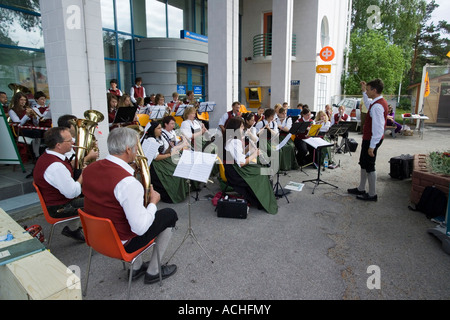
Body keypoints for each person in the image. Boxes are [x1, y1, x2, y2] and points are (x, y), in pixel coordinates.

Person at [82, 127, 178, 284]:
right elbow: (139, 228)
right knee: (169, 215)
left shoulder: (89, 169)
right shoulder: (127, 183)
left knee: (129, 212)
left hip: (96, 237)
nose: (137, 150)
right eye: (136, 146)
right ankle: (153, 271)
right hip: (122, 243)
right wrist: (153, 203)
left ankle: (136, 267)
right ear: (128, 149)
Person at [33, 127, 85, 241]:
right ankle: (102, 235)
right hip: (60, 208)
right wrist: (83, 175)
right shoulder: (55, 166)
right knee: (100, 202)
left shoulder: (48, 156)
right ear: (58, 145)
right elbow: (72, 193)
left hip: (58, 202)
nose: (73, 142)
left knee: (94, 195)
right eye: (69, 140)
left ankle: (74, 229)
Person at [223, 117, 277, 214]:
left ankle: (262, 196)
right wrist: (254, 154)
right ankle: (260, 200)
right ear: (235, 128)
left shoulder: (230, 138)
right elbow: (241, 163)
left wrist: (248, 148)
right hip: (234, 172)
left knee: (259, 168)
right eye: (241, 127)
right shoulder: (235, 141)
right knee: (261, 172)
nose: (243, 129)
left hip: (232, 168)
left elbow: (238, 155)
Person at [347, 79, 388, 202]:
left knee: (370, 166)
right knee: (364, 164)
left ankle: (372, 193)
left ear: (374, 90)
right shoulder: (376, 103)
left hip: (371, 139)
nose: (368, 91)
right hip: (369, 139)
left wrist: (372, 146)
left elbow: (378, 127)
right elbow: (367, 103)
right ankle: (361, 188)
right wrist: (364, 91)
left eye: (369, 89)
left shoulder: (377, 106)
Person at [141, 121, 190, 203]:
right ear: (153, 130)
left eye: (161, 128)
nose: (161, 130)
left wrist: (170, 147)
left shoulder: (159, 137)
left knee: (179, 168)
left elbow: (164, 151)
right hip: (156, 165)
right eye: (158, 128)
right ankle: (173, 194)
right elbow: (156, 157)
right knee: (174, 174)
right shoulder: (150, 140)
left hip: (163, 159)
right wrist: (171, 154)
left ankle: (183, 190)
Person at [276, 107, 299, 171]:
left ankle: (289, 165)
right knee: (279, 148)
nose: (284, 115)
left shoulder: (288, 119)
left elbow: (288, 129)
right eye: (282, 114)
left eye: (285, 113)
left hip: (286, 137)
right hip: (277, 137)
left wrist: (279, 126)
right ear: (279, 114)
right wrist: (280, 126)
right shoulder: (276, 119)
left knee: (291, 146)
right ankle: (282, 166)